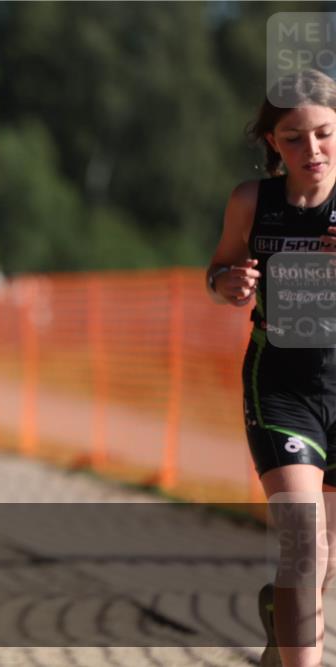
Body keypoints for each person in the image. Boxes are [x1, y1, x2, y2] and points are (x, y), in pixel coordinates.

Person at [208, 69, 336, 667]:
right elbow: (220, 271)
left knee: (322, 556)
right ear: (271, 143)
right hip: (281, 387)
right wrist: (229, 284)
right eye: (293, 138)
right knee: (304, 546)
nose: (311, 150)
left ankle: (279, 632)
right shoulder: (251, 202)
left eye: (324, 134)